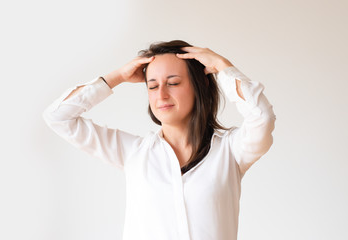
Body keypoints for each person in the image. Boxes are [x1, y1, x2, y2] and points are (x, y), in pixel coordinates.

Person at [42, 40, 276, 240]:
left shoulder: (231, 150)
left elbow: (262, 118)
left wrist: (224, 67)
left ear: (200, 84)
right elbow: (58, 117)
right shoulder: (133, 152)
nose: (161, 95)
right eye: (152, 86)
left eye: (173, 83)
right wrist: (117, 77)